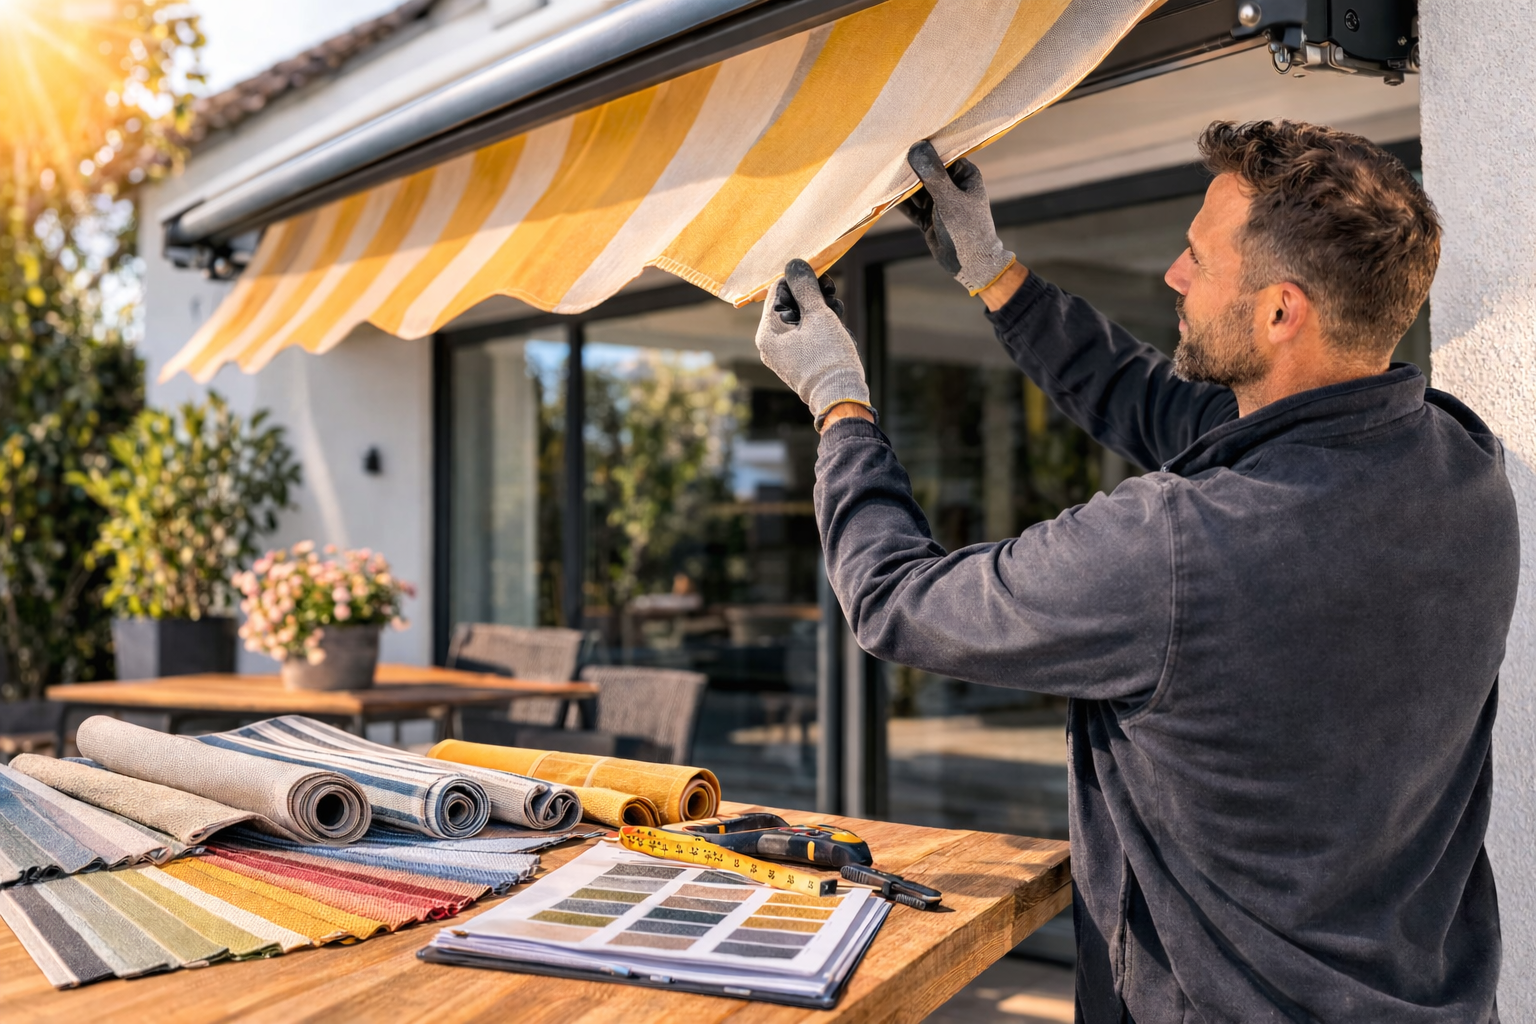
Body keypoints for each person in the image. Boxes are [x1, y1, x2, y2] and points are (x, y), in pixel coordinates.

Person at [753, 120, 1517, 1023]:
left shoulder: (1178, 546)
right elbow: (1160, 405)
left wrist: (837, 402)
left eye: (1199, 257)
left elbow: (893, 600)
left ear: (1281, 312)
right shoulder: (1464, 467)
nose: (1174, 275)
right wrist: (995, 274)